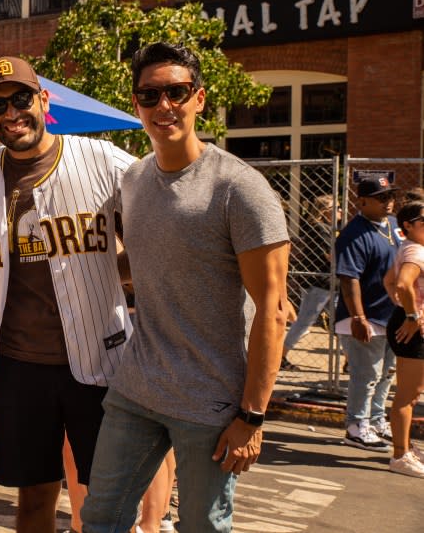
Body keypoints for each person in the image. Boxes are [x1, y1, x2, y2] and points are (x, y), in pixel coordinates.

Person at [81, 42, 290, 533]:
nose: (163, 106)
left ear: (199, 98)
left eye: (176, 91)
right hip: (137, 386)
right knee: (101, 517)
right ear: (136, 105)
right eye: (149, 95)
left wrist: (252, 417)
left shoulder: (239, 188)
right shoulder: (133, 180)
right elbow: (146, 261)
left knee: (202, 526)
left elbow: (273, 310)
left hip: (210, 401)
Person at [0, 56, 135, 532]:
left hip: (100, 362)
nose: (11, 113)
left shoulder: (104, 161)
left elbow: (163, 233)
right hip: (19, 367)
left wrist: (112, 270)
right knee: (34, 500)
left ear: (44, 100)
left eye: (21, 99)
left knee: (107, 500)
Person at [334, 176, 399, 451]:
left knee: (386, 373)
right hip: (364, 317)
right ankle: (356, 426)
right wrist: (359, 318)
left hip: (390, 315)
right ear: (362, 201)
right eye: (381, 197)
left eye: (390, 196)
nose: (389, 202)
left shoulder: (394, 226)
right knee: (366, 374)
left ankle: (375, 420)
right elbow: (349, 279)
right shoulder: (354, 233)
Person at [382, 200, 424, 477]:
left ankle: (406, 447)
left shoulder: (410, 249)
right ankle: (400, 455)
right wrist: (411, 315)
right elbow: (400, 283)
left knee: (412, 393)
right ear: (407, 226)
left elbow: (388, 281)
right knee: (407, 396)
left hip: (409, 323)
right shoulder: (416, 251)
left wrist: (404, 309)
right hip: (411, 328)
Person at [281, 194, 340, 371]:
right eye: (336, 208)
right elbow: (330, 256)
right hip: (319, 282)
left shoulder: (332, 228)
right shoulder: (319, 228)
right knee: (304, 322)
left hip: (331, 282)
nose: (340, 211)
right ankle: (280, 357)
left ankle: (350, 362)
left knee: (341, 322)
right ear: (325, 212)